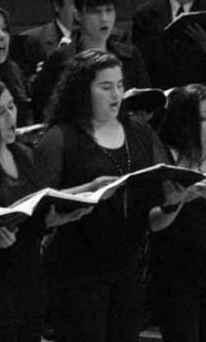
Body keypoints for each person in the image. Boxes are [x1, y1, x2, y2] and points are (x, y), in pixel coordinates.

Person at [35, 49, 189, 342]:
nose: (115, 94)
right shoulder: (61, 138)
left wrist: (172, 205)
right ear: (82, 91)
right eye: (105, 87)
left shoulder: (140, 134)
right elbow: (37, 208)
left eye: (119, 85)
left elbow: (153, 220)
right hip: (77, 271)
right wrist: (87, 190)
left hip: (128, 270)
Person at [0, 76, 92, 342]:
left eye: (12, 106)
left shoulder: (23, 154)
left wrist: (83, 194)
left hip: (29, 277)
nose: (10, 116)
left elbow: (39, 206)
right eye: (0, 112)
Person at [32, 0, 150, 121]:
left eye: (109, 10)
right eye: (95, 12)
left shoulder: (130, 56)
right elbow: (45, 110)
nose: (104, 19)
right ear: (78, 15)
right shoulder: (59, 59)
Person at [151, 84, 206, 342]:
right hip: (177, 270)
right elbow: (153, 222)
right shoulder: (163, 156)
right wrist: (180, 200)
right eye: (204, 118)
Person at [18, 0, 90, 84]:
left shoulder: (113, 37)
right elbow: (24, 91)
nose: (80, 6)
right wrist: (43, 77)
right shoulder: (31, 41)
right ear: (57, 4)